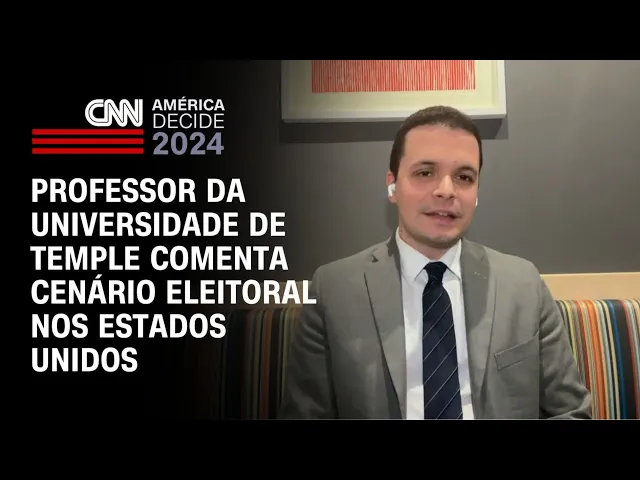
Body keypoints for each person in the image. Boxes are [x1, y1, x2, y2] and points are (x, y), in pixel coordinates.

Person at [278, 105, 592, 420]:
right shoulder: (334, 290)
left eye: (464, 177)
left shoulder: (524, 285)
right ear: (392, 185)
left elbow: (571, 410)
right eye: (425, 172)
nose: (446, 191)